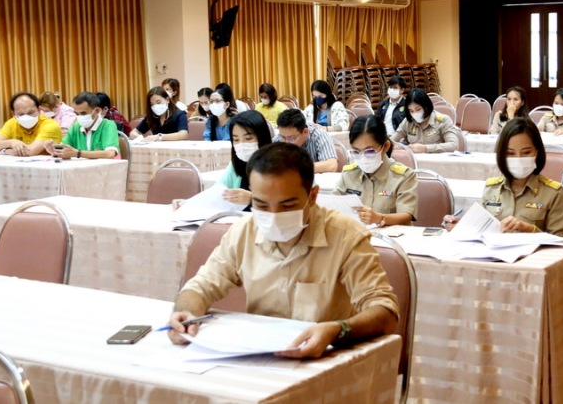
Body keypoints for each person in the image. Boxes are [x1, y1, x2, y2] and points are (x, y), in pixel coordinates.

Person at [167, 142, 399, 358]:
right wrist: (186, 312)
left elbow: (385, 312)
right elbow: (200, 287)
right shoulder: (243, 231)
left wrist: (338, 330)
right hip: (258, 356)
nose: (273, 216)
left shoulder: (346, 236)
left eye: (287, 205)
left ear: (312, 196)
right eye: (261, 204)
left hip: (326, 357)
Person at [442, 117, 563, 237]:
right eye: (510, 153)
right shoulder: (492, 189)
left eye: (526, 152)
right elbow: (484, 229)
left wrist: (530, 230)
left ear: (537, 152)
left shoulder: (553, 193)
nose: (518, 159)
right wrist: (462, 226)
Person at [176, 111, 273, 210]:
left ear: (262, 137)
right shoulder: (236, 165)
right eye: (236, 140)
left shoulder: (276, 166)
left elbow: (280, 203)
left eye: (248, 138)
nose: (242, 144)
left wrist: (252, 200)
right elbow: (217, 191)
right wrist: (189, 203)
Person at [333, 115, 417, 227]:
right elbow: (333, 205)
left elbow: (406, 216)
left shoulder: (404, 176)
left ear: (385, 146)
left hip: (390, 236)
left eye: (369, 152)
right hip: (356, 234)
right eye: (356, 152)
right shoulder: (349, 174)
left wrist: (380, 218)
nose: (363, 158)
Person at [44, 91, 119, 159]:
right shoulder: (76, 127)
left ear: (97, 111)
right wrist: (54, 151)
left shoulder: (108, 125)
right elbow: (64, 149)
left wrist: (78, 153)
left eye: (83, 113)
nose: (79, 117)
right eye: (77, 113)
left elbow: (110, 154)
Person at [0, 92, 62, 156]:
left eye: (30, 113)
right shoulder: (12, 123)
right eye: (21, 114)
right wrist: (12, 142)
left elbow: (29, 151)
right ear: (13, 114)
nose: (26, 117)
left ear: (39, 110)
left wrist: (3, 151)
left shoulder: (50, 125)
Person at [391, 88, 457, 153]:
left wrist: (425, 148)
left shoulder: (442, 121)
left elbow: (453, 145)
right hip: (415, 159)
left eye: (418, 109)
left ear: (426, 106)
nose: (415, 113)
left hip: (437, 159)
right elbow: (392, 140)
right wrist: (395, 145)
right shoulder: (408, 121)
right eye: (411, 111)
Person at [275, 108, 338, 173]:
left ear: (305, 132)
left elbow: (332, 165)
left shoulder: (319, 135)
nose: (286, 143)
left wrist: (297, 168)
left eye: (290, 138)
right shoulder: (279, 138)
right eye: (283, 137)